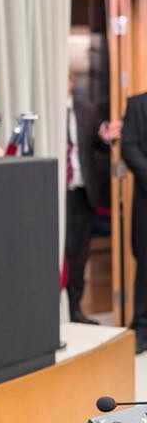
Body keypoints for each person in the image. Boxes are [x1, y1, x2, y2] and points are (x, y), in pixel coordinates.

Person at [64, 73, 120, 324]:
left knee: (79, 253)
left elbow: (100, 141)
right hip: (57, 190)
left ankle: (75, 308)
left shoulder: (86, 109)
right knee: (59, 251)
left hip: (82, 191)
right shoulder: (45, 106)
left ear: (71, 81)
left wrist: (107, 137)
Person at [123, 92, 147, 353]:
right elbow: (129, 147)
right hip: (145, 199)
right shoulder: (137, 105)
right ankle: (142, 328)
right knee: (146, 266)